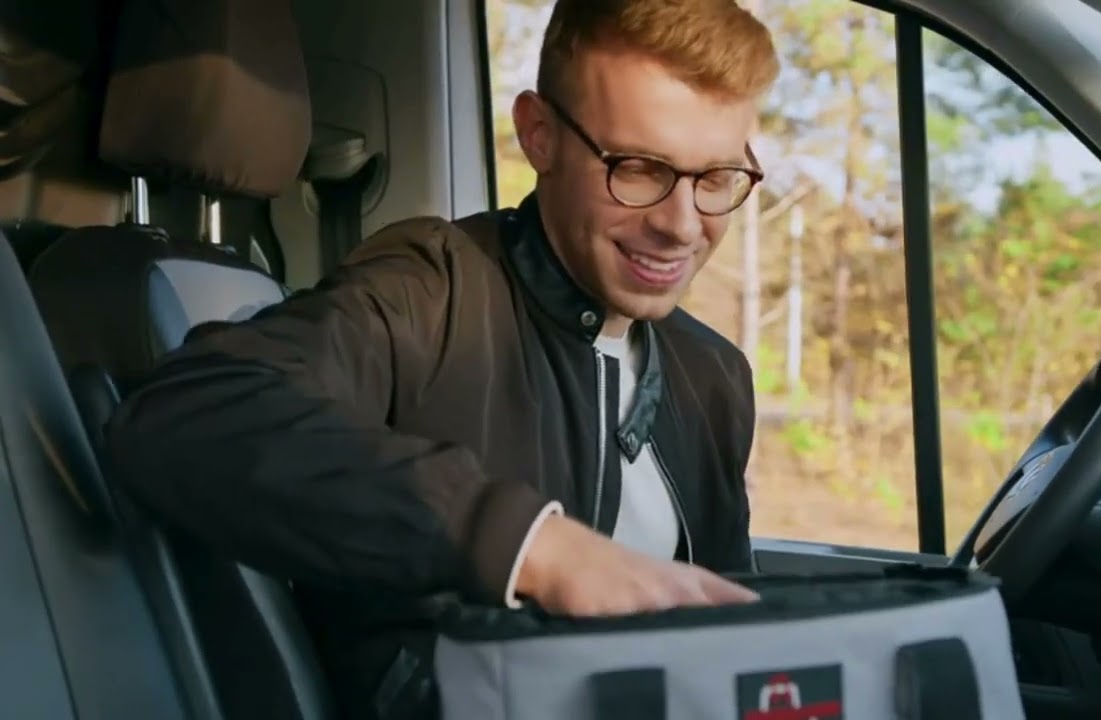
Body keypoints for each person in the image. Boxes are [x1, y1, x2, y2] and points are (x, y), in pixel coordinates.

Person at [105, 0, 780, 715]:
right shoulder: (432, 289)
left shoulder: (714, 378)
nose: (680, 226)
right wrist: (527, 545)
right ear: (540, 136)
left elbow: (734, 639)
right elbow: (182, 417)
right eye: (639, 168)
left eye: (715, 180)